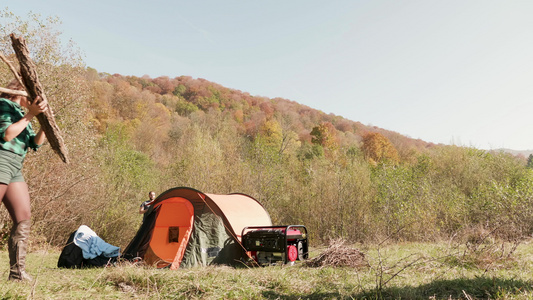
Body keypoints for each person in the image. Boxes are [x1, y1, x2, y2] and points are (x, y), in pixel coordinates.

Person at [0, 79, 48, 281]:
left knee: (23, 217)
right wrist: (31, 115)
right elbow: (7, 134)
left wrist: (46, 123)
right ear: (21, 93)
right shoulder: (4, 105)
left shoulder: (22, 115)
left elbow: (35, 144)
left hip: (15, 167)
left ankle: (17, 273)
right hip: (1, 159)